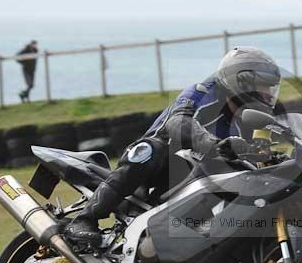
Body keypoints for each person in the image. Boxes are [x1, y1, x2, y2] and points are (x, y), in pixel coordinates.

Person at [64, 46, 282, 247]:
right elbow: (178, 122)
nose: (269, 94)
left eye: (271, 88)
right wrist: (215, 145)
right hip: (160, 165)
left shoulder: (255, 117)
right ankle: (84, 219)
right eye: (264, 86)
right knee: (148, 150)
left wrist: (279, 160)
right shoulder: (203, 91)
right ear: (241, 81)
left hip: (198, 175)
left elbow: (262, 152)